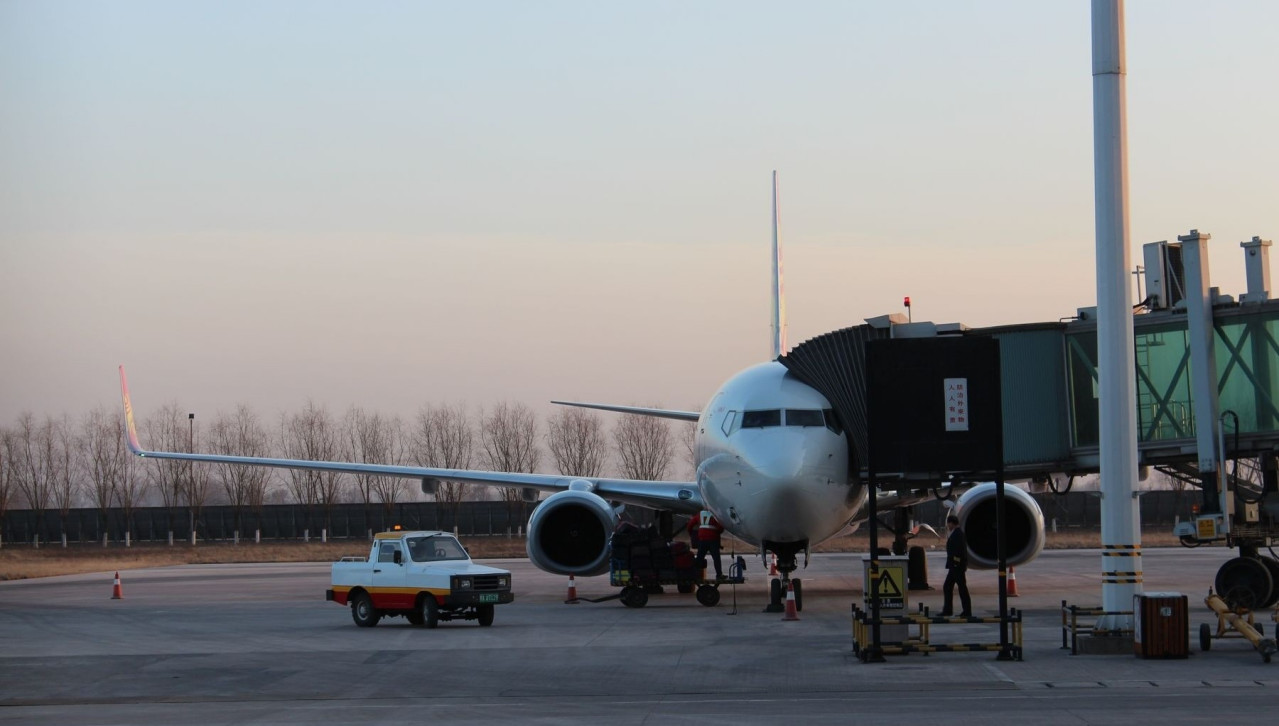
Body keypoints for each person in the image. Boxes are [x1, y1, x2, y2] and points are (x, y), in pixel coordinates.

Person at [941, 514, 971, 617]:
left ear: (951, 523)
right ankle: (948, 610)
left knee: (961, 588)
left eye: (948, 524)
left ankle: (966, 611)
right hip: (955, 566)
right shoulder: (956, 533)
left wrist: (955, 563)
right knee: (948, 587)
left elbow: (959, 551)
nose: (948, 526)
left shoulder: (958, 534)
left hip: (957, 566)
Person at [695, 509, 724, 579]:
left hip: (702, 540)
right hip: (713, 540)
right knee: (716, 558)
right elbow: (720, 528)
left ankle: (695, 574)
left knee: (699, 558)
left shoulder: (700, 514)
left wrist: (692, 534)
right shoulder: (713, 515)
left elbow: (690, 524)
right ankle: (719, 575)